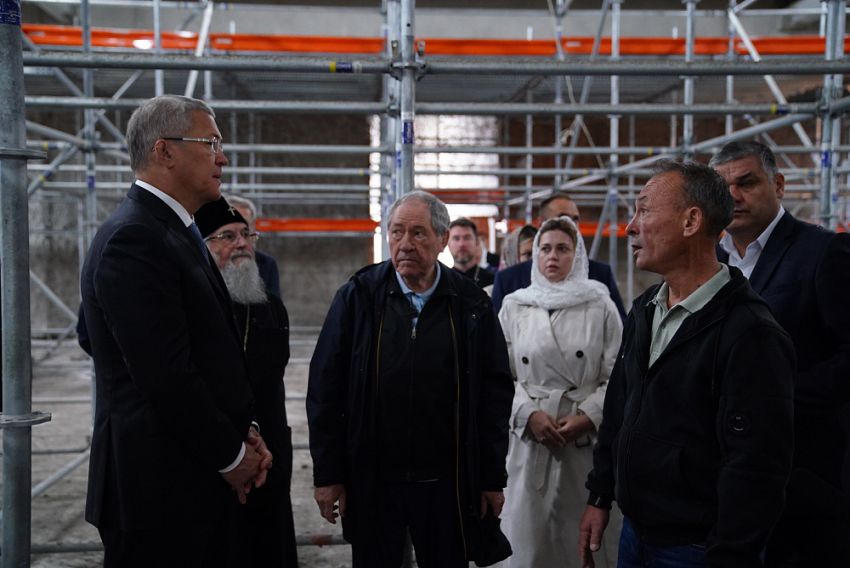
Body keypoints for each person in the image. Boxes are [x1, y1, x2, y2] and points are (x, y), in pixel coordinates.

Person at [80, 95, 272, 567]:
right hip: (157, 490)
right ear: (164, 151)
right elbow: (165, 376)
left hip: (188, 476)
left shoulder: (174, 230)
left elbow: (211, 354)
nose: (223, 158)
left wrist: (243, 430)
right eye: (211, 144)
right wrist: (231, 455)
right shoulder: (135, 238)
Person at [579, 161, 795, 568]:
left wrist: (729, 555)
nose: (630, 227)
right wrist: (600, 494)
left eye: (644, 210)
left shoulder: (750, 333)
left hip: (696, 549)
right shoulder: (646, 309)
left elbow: (756, 467)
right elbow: (619, 410)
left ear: (691, 221)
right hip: (635, 533)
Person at [307, 190, 514, 568]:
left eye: (418, 233)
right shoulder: (359, 296)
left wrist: (491, 478)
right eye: (397, 232)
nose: (405, 243)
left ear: (442, 238)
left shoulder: (470, 304)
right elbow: (325, 391)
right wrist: (328, 474)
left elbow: (494, 397)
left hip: (447, 482)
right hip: (374, 479)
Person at [710, 141, 850, 566]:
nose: (734, 196)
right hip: (727, 470)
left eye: (747, 183)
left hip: (804, 468)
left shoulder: (823, 252)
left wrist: (778, 398)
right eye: (723, 188)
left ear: (779, 185)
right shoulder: (711, 263)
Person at [497, 216, 623, 568]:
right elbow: (499, 375)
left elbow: (619, 376)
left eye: (563, 249)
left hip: (582, 442)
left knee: (579, 544)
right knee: (528, 543)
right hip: (529, 440)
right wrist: (527, 413)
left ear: (577, 255)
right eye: (545, 249)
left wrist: (589, 416)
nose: (552, 256)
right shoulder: (514, 305)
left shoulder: (600, 304)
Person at [195, 197, 298, 567]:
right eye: (228, 236)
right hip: (215, 452)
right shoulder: (192, 305)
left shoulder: (271, 306)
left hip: (268, 451)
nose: (241, 244)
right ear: (202, 247)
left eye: (246, 234)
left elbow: (272, 373)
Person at [491, 193, 626, 319]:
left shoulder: (600, 275)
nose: (571, 225)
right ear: (542, 224)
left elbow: (619, 328)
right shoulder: (508, 280)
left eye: (575, 219)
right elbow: (497, 332)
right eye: (563, 218)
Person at [225, 194, 282, 299]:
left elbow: (274, 306)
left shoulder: (267, 264)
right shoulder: (208, 263)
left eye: (246, 230)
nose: (241, 242)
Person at [448, 217, 495, 289]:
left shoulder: (492, 281)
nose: (461, 244)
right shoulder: (442, 281)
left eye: (467, 238)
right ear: (448, 243)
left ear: (477, 242)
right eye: (456, 238)